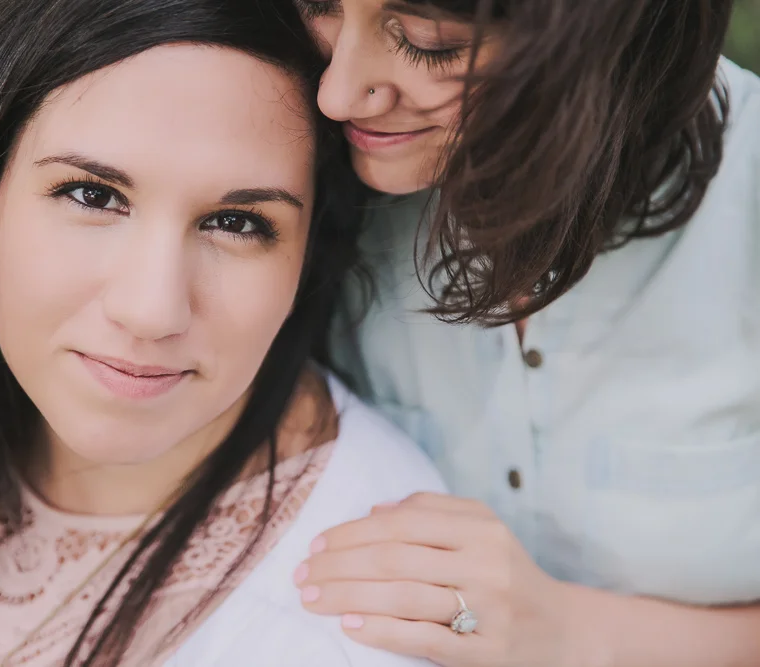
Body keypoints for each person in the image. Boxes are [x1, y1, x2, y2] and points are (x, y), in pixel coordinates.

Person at [0, 0, 449, 665]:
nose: (152, 310)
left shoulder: (350, 619)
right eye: (93, 195)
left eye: (236, 223)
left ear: (305, 257)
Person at [288, 1, 760, 666]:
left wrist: (574, 633)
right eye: (320, 7)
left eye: (427, 40)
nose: (337, 94)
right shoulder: (312, 174)